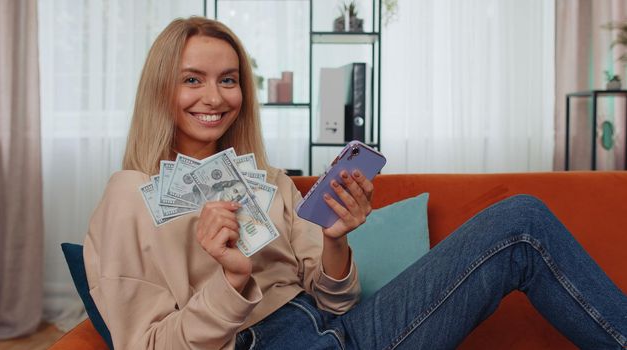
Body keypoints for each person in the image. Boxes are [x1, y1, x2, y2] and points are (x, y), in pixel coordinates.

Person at [83, 17, 627, 350]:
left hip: (342, 330)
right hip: (260, 342)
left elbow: (337, 301)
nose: (215, 97)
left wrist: (336, 240)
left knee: (522, 220)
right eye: (192, 80)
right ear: (161, 90)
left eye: (229, 80)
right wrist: (230, 282)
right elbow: (148, 346)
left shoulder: (268, 181)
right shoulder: (129, 198)